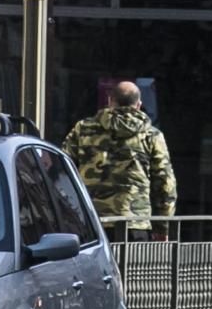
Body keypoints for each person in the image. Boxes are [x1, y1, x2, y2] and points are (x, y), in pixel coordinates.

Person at [62, 80, 177, 241]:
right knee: (131, 266)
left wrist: (66, 214)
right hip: (135, 223)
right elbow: (165, 184)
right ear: (139, 104)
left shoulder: (83, 129)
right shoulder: (152, 136)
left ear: (110, 101)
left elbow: (62, 169)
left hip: (91, 221)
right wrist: (163, 227)